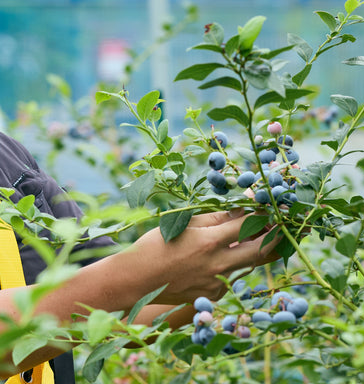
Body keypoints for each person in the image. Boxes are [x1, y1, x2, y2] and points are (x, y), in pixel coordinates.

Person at [0, 132, 281, 381]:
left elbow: (126, 312)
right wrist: (134, 277)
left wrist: (230, 252)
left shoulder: (8, 156)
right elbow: (121, 285)